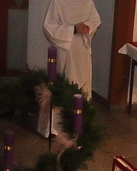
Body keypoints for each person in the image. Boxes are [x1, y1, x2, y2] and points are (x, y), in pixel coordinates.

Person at [40, 0, 100, 137]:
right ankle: (54, 127)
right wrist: (73, 29)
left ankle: (79, 124)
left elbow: (95, 20)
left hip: (82, 50)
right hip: (64, 51)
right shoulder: (58, 2)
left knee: (82, 86)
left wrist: (87, 27)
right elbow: (48, 27)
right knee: (63, 85)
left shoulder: (87, 2)